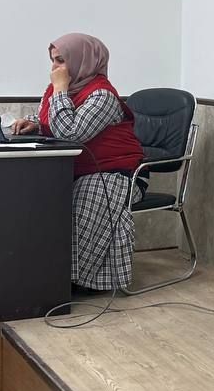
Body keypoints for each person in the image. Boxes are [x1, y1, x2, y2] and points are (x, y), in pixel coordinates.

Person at [13, 34, 145, 293]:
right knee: (39, 194)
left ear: (82, 61)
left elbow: (70, 134)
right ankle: (38, 270)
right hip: (75, 170)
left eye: (61, 61)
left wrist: (60, 90)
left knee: (85, 195)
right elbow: (50, 119)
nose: (55, 68)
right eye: (53, 61)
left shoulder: (102, 95)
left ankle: (70, 280)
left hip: (117, 174)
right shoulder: (58, 91)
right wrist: (34, 123)